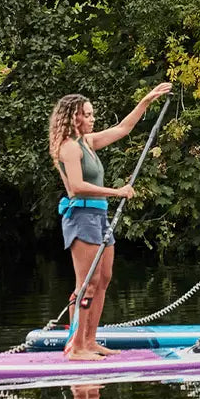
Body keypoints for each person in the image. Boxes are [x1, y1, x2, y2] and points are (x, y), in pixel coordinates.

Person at [49, 84, 171, 360]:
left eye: (93, 114)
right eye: (88, 115)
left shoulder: (88, 142)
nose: (93, 119)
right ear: (74, 118)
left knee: (103, 279)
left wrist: (146, 101)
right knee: (86, 284)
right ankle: (77, 346)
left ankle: (90, 341)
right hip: (81, 218)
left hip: (99, 216)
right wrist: (118, 192)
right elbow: (76, 187)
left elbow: (123, 129)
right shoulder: (68, 147)